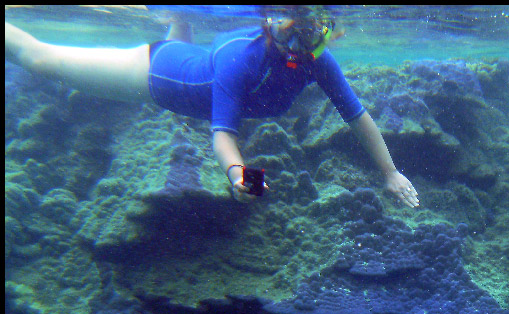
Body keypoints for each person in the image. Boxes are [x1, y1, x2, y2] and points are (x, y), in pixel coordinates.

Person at [5, 8, 420, 208]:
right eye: (289, 25)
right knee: (41, 60)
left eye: (316, 31)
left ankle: (176, 17)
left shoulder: (318, 61)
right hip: (154, 74)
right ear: (269, 21)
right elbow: (223, 134)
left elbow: (358, 117)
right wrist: (238, 174)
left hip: (188, 56)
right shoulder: (244, 57)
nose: (300, 41)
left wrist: (390, 173)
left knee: (181, 34)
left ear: (328, 32)